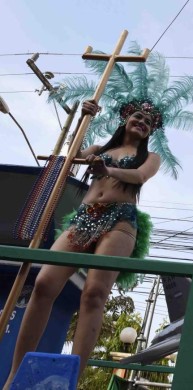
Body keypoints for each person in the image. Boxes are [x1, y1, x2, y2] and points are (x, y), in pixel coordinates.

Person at [3, 99, 162, 389]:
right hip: (84, 218)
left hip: (121, 220)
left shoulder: (150, 157)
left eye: (148, 123)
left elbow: (139, 176)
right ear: (125, 119)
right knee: (43, 284)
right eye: (137, 117)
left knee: (94, 294)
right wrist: (83, 119)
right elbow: (72, 155)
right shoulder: (99, 149)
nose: (142, 123)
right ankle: (16, 372)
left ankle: (71, 379)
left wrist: (107, 170)